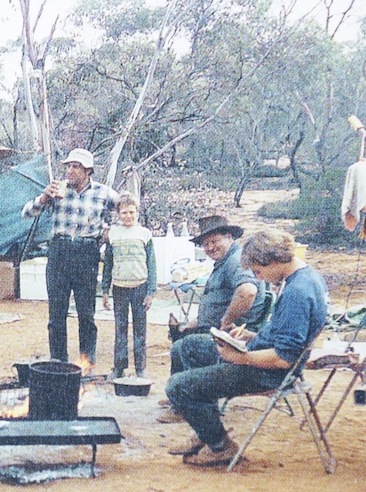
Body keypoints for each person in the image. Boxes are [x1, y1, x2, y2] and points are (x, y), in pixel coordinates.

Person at [164, 228, 328, 467]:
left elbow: (284, 358)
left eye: (259, 271)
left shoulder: (297, 292)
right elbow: (286, 333)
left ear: (271, 260)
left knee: (178, 387)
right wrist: (252, 336)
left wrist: (241, 357)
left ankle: (220, 446)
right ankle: (206, 430)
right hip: (260, 356)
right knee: (186, 347)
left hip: (268, 372)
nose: (259, 277)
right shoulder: (304, 277)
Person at [157, 215, 267, 423]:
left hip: (236, 338)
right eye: (205, 244)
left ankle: (188, 407)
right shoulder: (223, 262)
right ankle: (178, 396)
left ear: (229, 237)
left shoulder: (236, 261)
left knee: (184, 347)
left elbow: (248, 291)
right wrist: (197, 322)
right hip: (212, 329)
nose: (209, 248)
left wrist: (226, 321)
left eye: (214, 241)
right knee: (180, 334)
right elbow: (219, 299)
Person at [21, 148, 120, 365]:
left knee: (86, 313)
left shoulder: (103, 193)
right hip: (59, 252)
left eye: (76, 167)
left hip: (87, 253)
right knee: (57, 313)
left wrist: (110, 229)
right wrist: (44, 197)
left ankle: (86, 362)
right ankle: (58, 361)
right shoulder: (57, 190)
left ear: (88, 171)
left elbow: (129, 208)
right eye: (68, 166)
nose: (70, 171)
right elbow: (26, 213)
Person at [100, 193, 156, 379]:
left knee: (140, 329)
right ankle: (119, 367)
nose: (128, 216)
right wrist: (105, 290)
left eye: (131, 212)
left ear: (137, 212)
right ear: (117, 214)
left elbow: (152, 264)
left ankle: (141, 368)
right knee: (120, 328)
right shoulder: (113, 234)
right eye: (124, 213)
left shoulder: (144, 234)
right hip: (119, 287)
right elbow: (108, 263)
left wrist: (151, 291)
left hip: (140, 287)